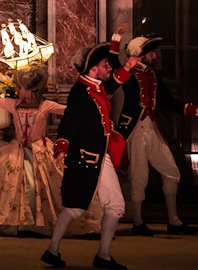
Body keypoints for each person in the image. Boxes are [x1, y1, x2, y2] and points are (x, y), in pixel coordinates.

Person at [0, 63, 101, 236]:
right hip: (17, 149)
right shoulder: (13, 104)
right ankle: (17, 222)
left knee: (52, 179)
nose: (17, 90)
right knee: (1, 169)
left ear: (30, 89)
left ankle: (42, 223)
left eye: (20, 87)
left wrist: (92, 106)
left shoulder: (46, 105)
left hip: (41, 149)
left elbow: (72, 112)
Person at [41, 42, 139, 270]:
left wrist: (128, 65)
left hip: (98, 154)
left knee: (89, 206)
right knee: (89, 206)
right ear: (93, 68)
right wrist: (62, 148)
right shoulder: (80, 92)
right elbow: (69, 122)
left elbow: (113, 83)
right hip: (88, 157)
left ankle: (56, 251)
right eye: (106, 65)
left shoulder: (94, 86)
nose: (109, 69)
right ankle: (96, 255)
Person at [110, 26, 198, 236]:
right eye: (151, 52)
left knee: (172, 172)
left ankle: (174, 221)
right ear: (140, 54)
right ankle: (138, 222)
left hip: (153, 128)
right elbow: (112, 66)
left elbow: (170, 102)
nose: (154, 56)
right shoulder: (128, 73)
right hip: (135, 129)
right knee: (139, 177)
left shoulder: (153, 76)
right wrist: (116, 37)